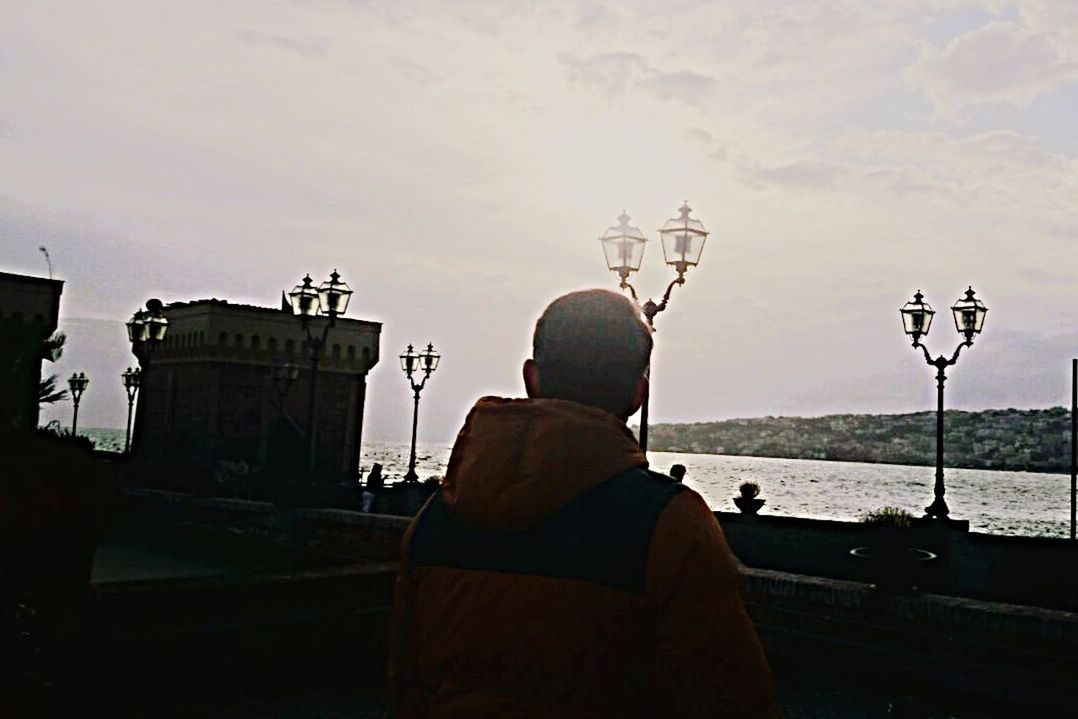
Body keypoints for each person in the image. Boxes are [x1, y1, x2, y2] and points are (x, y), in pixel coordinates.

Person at [389, 289, 779, 717]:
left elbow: (403, 682)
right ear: (638, 394)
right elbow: (733, 696)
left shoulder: (439, 515)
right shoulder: (671, 524)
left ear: (531, 378)